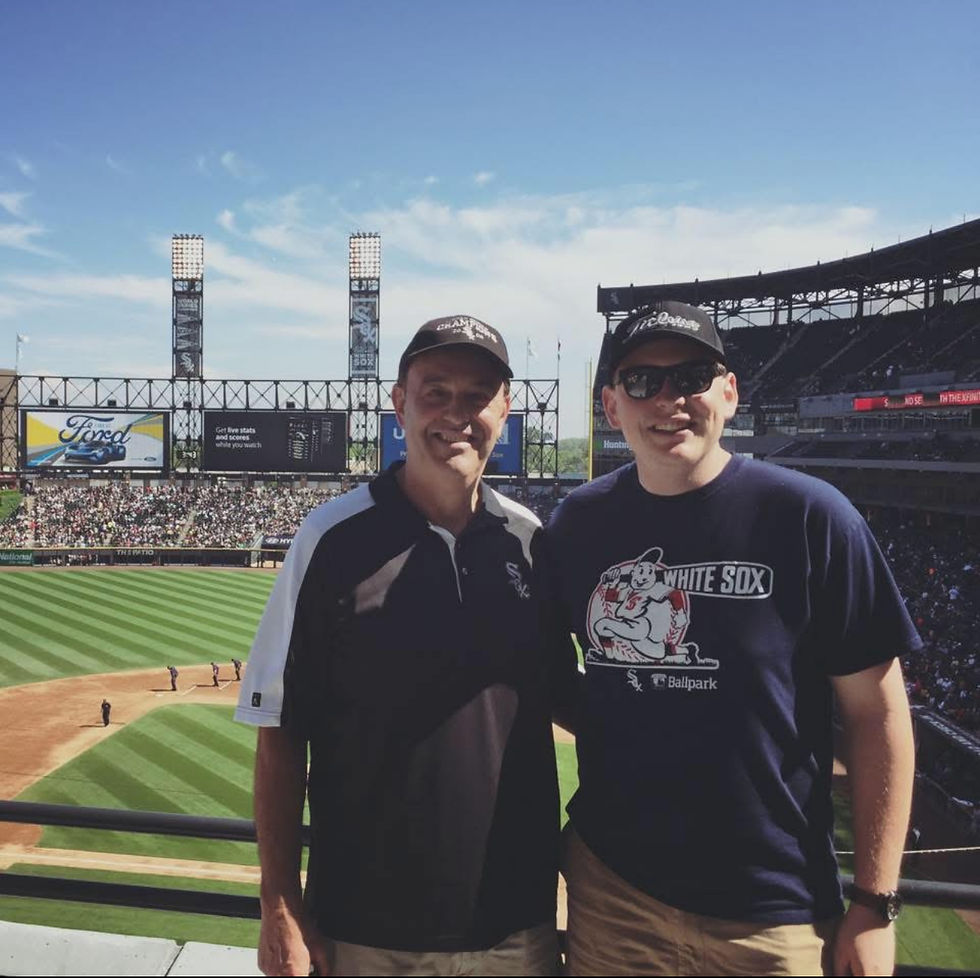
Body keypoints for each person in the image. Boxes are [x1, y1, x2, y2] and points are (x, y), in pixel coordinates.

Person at [546, 300, 918, 976]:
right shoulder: (576, 525)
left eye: (691, 376)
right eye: (642, 383)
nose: (669, 399)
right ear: (611, 404)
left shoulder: (812, 518)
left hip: (775, 912)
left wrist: (874, 903)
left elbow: (879, 715)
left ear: (729, 391)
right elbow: (553, 676)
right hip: (613, 897)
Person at [236, 315, 575, 977]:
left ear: (505, 408)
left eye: (478, 393)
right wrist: (279, 900)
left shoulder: (531, 542)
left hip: (514, 925)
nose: (457, 412)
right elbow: (279, 729)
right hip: (364, 930)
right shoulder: (331, 537)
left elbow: (570, 697)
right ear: (399, 403)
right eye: (436, 391)